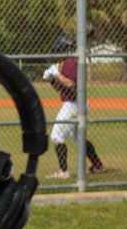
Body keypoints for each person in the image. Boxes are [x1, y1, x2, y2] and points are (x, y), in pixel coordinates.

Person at [44, 35, 105, 178]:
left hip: (72, 105)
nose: (58, 53)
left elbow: (71, 84)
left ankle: (63, 171)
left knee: (56, 135)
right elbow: (60, 88)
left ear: (64, 49)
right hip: (76, 104)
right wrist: (52, 79)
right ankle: (98, 165)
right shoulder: (68, 62)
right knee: (79, 138)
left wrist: (56, 73)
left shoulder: (71, 61)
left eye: (59, 50)